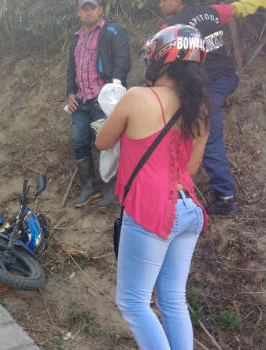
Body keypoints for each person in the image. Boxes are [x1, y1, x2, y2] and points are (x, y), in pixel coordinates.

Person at [96, 25, 209, 350]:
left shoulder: (136, 97)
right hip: (188, 210)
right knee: (173, 300)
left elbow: (102, 140)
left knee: (133, 303)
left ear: (160, 60)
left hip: (152, 210)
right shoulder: (200, 109)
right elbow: (189, 170)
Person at [158, 0, 260, 215]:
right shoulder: (212, 12)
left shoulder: (171, 29)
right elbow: (238, 8)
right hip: (228, 77)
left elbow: (157, 60)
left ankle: (226, 197)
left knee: (209, 134)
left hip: (208, 85)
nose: (159, 4)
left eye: (163, 0)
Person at [66, 0, 131, 208]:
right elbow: (71, 70)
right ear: (78, 12)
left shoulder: (112, 31)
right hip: (81, 101)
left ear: (100, 9)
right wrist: (70, 93)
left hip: (103, 100)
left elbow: (122, 62)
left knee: (109, 142)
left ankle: (115, 186)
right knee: (79, 141)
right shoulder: (75, 39)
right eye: (84, 8)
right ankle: (89, 187)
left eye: (92, 7)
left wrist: (112, 94)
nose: (89, 12)